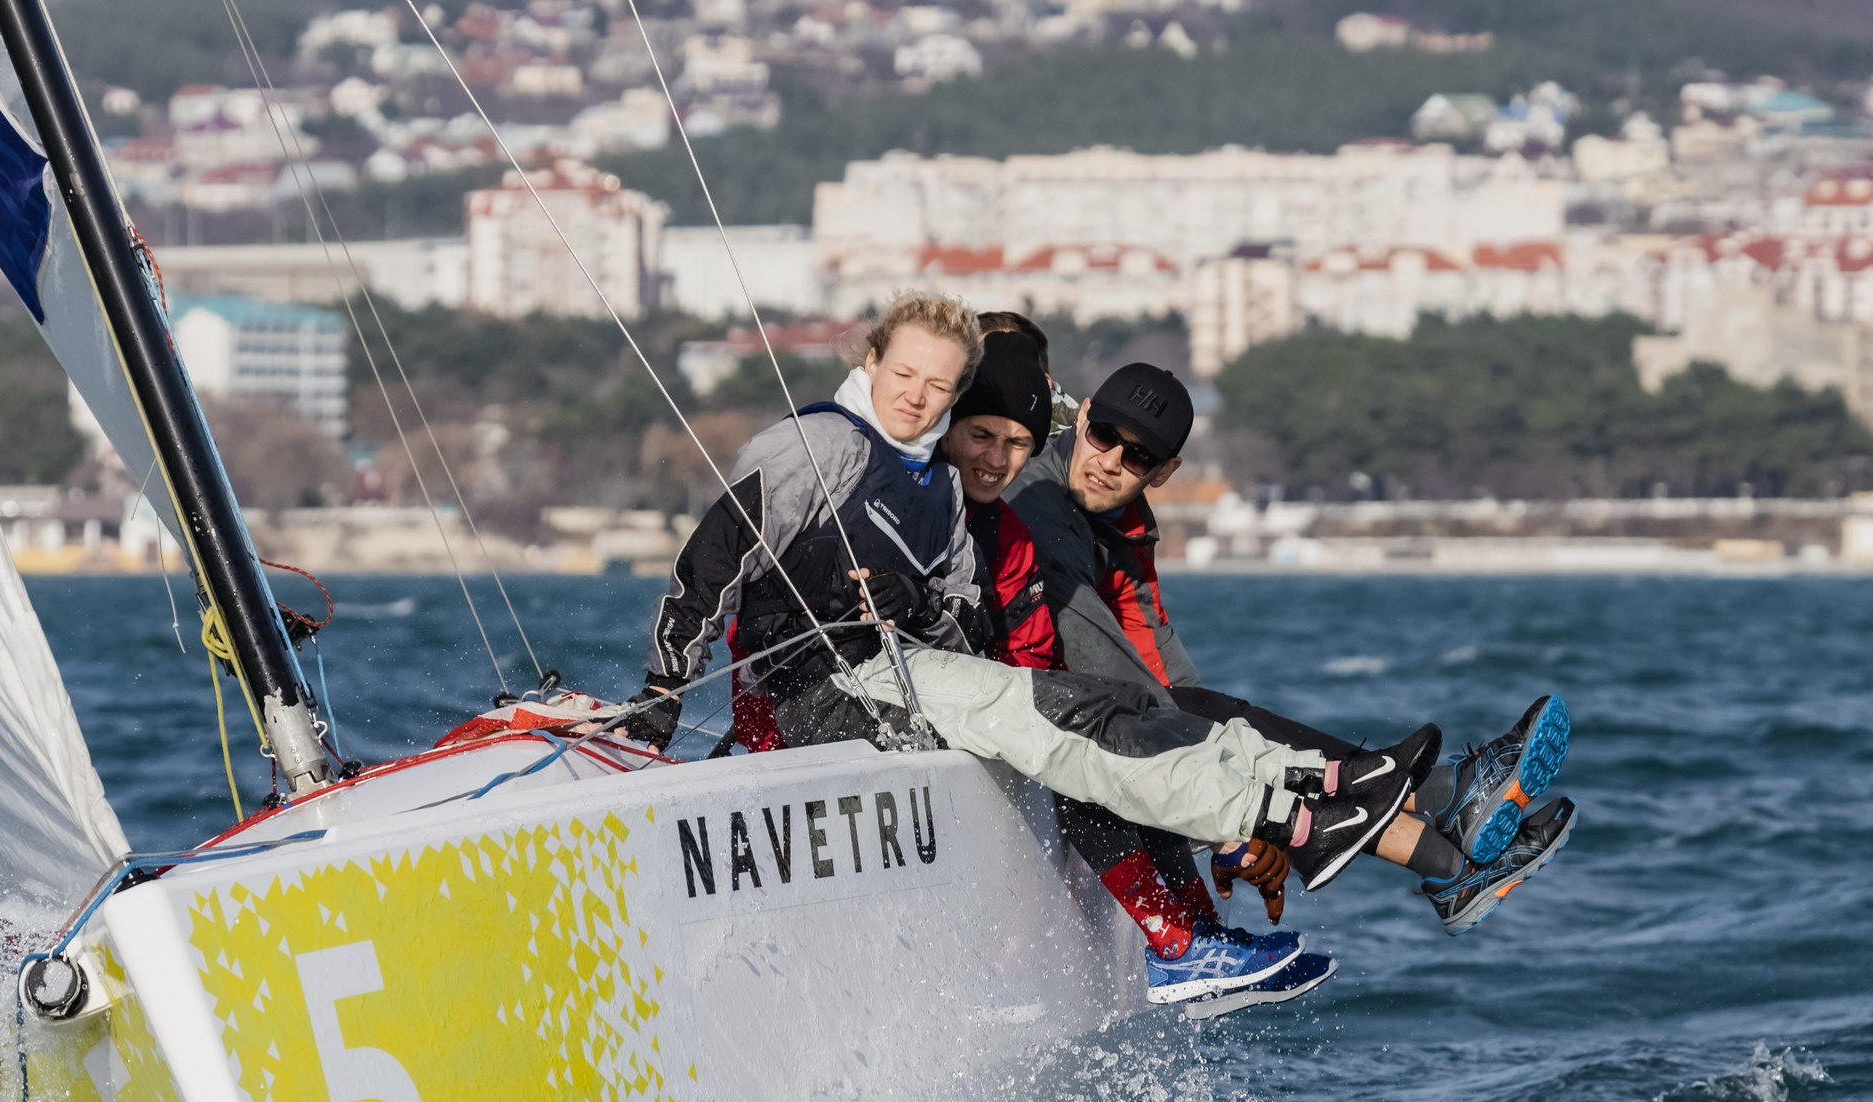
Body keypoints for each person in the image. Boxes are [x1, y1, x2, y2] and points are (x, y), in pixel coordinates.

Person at [624, 292, 1467, 975]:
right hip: (813, 700)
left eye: (1008, 437)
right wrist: (657, 708)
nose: (923, 400)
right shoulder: (822, 445)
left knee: (1107, 711)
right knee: (1072, 726)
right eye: (908, 376)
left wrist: (911, 608)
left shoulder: (937, 492)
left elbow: (963, 627)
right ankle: (1288, 838)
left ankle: (1328, 797)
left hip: (888, 688)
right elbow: (712, 565)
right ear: (870, 361)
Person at [1007, 357, 1576, 935]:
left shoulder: (1117, 518)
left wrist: (1234, 770)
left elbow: (1170, 681)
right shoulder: (1042, 511)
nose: (1110, 463)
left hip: (1076, 725)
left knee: (1211, 715)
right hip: (1029, 725)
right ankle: (1444, 814)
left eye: (1138, 456)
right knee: (1193, 725)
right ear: (1081, 420)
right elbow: (1135, 698)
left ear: (1165, 470)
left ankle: (1448, 847)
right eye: (1104, 436)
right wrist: (1231, 812)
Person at [940, 323, 1333, 1010]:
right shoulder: (972, 491)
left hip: (1011, 697)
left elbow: (1126, 638)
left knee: (1118, 739)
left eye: (1014, 438)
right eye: (983, 433)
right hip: (952, 704)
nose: (997, 452)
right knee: (1087, 755)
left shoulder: (1028, 511)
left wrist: (1198, 769)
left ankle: (1197, 935)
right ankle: (1174, 939)